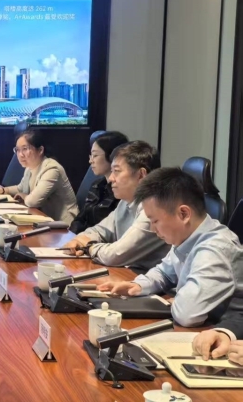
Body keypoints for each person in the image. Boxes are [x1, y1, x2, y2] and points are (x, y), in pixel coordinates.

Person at [97, 168, 243, 327]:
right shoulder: (188, 235)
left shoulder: (215, 250)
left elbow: (187, 314)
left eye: (155, 221)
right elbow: (164, 273)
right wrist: (138, 285)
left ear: (183, 214)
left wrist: (179, 300)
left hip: (220, 333)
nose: (152, 229)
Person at [61, 141, 169, 273]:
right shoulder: (125, 201)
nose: (111, 178)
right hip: (130, 275)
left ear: (141, 175)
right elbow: (99, 230)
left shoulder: (155, 209)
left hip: (152, 282)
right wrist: (79, 240)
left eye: (116, 171)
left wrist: (88, 247)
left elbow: (116, 254)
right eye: (111, 171)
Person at [0, 128, 79, 224]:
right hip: (43, 220)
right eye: (17, 150)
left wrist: (23, 196)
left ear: (40, 150)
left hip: (64, 226)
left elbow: (33, 201)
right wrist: (2, 191)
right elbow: (20, 188)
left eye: (25, 149)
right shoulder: (30, 167)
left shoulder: (52, 169)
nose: (20, 155)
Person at [69, 131, 129, 234]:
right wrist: (71, 236)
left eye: (95, 155)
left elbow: (109, 231)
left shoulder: (122, 192)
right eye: (91, 156)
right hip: (86, 238)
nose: (90, 161)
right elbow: (81, 219)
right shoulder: (97, 185)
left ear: (113, 156)